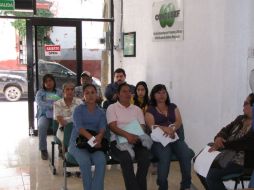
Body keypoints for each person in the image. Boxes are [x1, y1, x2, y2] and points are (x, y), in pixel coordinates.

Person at [197, 93, 254, 190]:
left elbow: (244, 143)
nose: (243, 106)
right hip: (226, 154)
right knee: (199, 165)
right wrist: (219, 138)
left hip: (241, 161)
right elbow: (225, 130)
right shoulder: (240, 119)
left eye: (246, 103)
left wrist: (222, 145)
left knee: (211, 175)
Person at [145, 84, 192, 190]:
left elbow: (179, 121)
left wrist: (172, 129)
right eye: (159, 93)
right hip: (158, 141)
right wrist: (164, 128)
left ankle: (186, 185)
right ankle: (162, 185)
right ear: (153, 95)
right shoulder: (150, 110)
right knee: (165, 156)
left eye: (164, 92)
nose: (162, 95)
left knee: (186, 154)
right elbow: (152, 126)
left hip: (173, 137)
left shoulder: (173, 106)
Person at [106, 82, 151, 190]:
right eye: (124, 91)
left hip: (136, 140)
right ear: (118, 94)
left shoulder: (137, 109)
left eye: (129, 92)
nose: (127, 94)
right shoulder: (112, 108)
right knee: (126, 159)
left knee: (145, 158)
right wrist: (127, 136)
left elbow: (142, 127)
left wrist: (133, 137)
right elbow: (113, 126)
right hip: (117, 142)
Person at [68, 84, 107, 190]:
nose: (90, 95)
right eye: (87, 93)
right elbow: (80, 128)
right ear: (83, 96)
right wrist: (93, 139)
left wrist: (99, 137)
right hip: (78, 143)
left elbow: (103, 128)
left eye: (93, 92)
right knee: (85, 162)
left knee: (101, 161)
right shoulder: (78, 110)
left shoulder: (101, 112)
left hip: (94, 143)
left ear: (97, 94)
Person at [35, 74, 62, 160]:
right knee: (41, 126)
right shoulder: (40, 92)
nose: (48, 83)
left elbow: (62, 102)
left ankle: (61, 148)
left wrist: (55, 105)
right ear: (43, 83)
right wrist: (52, 105)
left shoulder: (59, 92)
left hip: (58, 115)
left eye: (50, 80)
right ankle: (43, 149)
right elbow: (40, 104)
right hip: (44, 115)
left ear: (54, 81)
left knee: (64, 126)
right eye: (46, 81)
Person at [53, 82, 83, 154]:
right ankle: (66, 156)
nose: (70, 91)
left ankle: (77, 154)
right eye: (67, 89)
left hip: (78, 128)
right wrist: (74, 118)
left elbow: (82, 118)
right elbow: (61, 121)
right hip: (63, 129)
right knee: (66, 136)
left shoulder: (79, 102)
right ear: (63, 91)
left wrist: (68, 119)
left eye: (72, 89)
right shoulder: (57, 103)